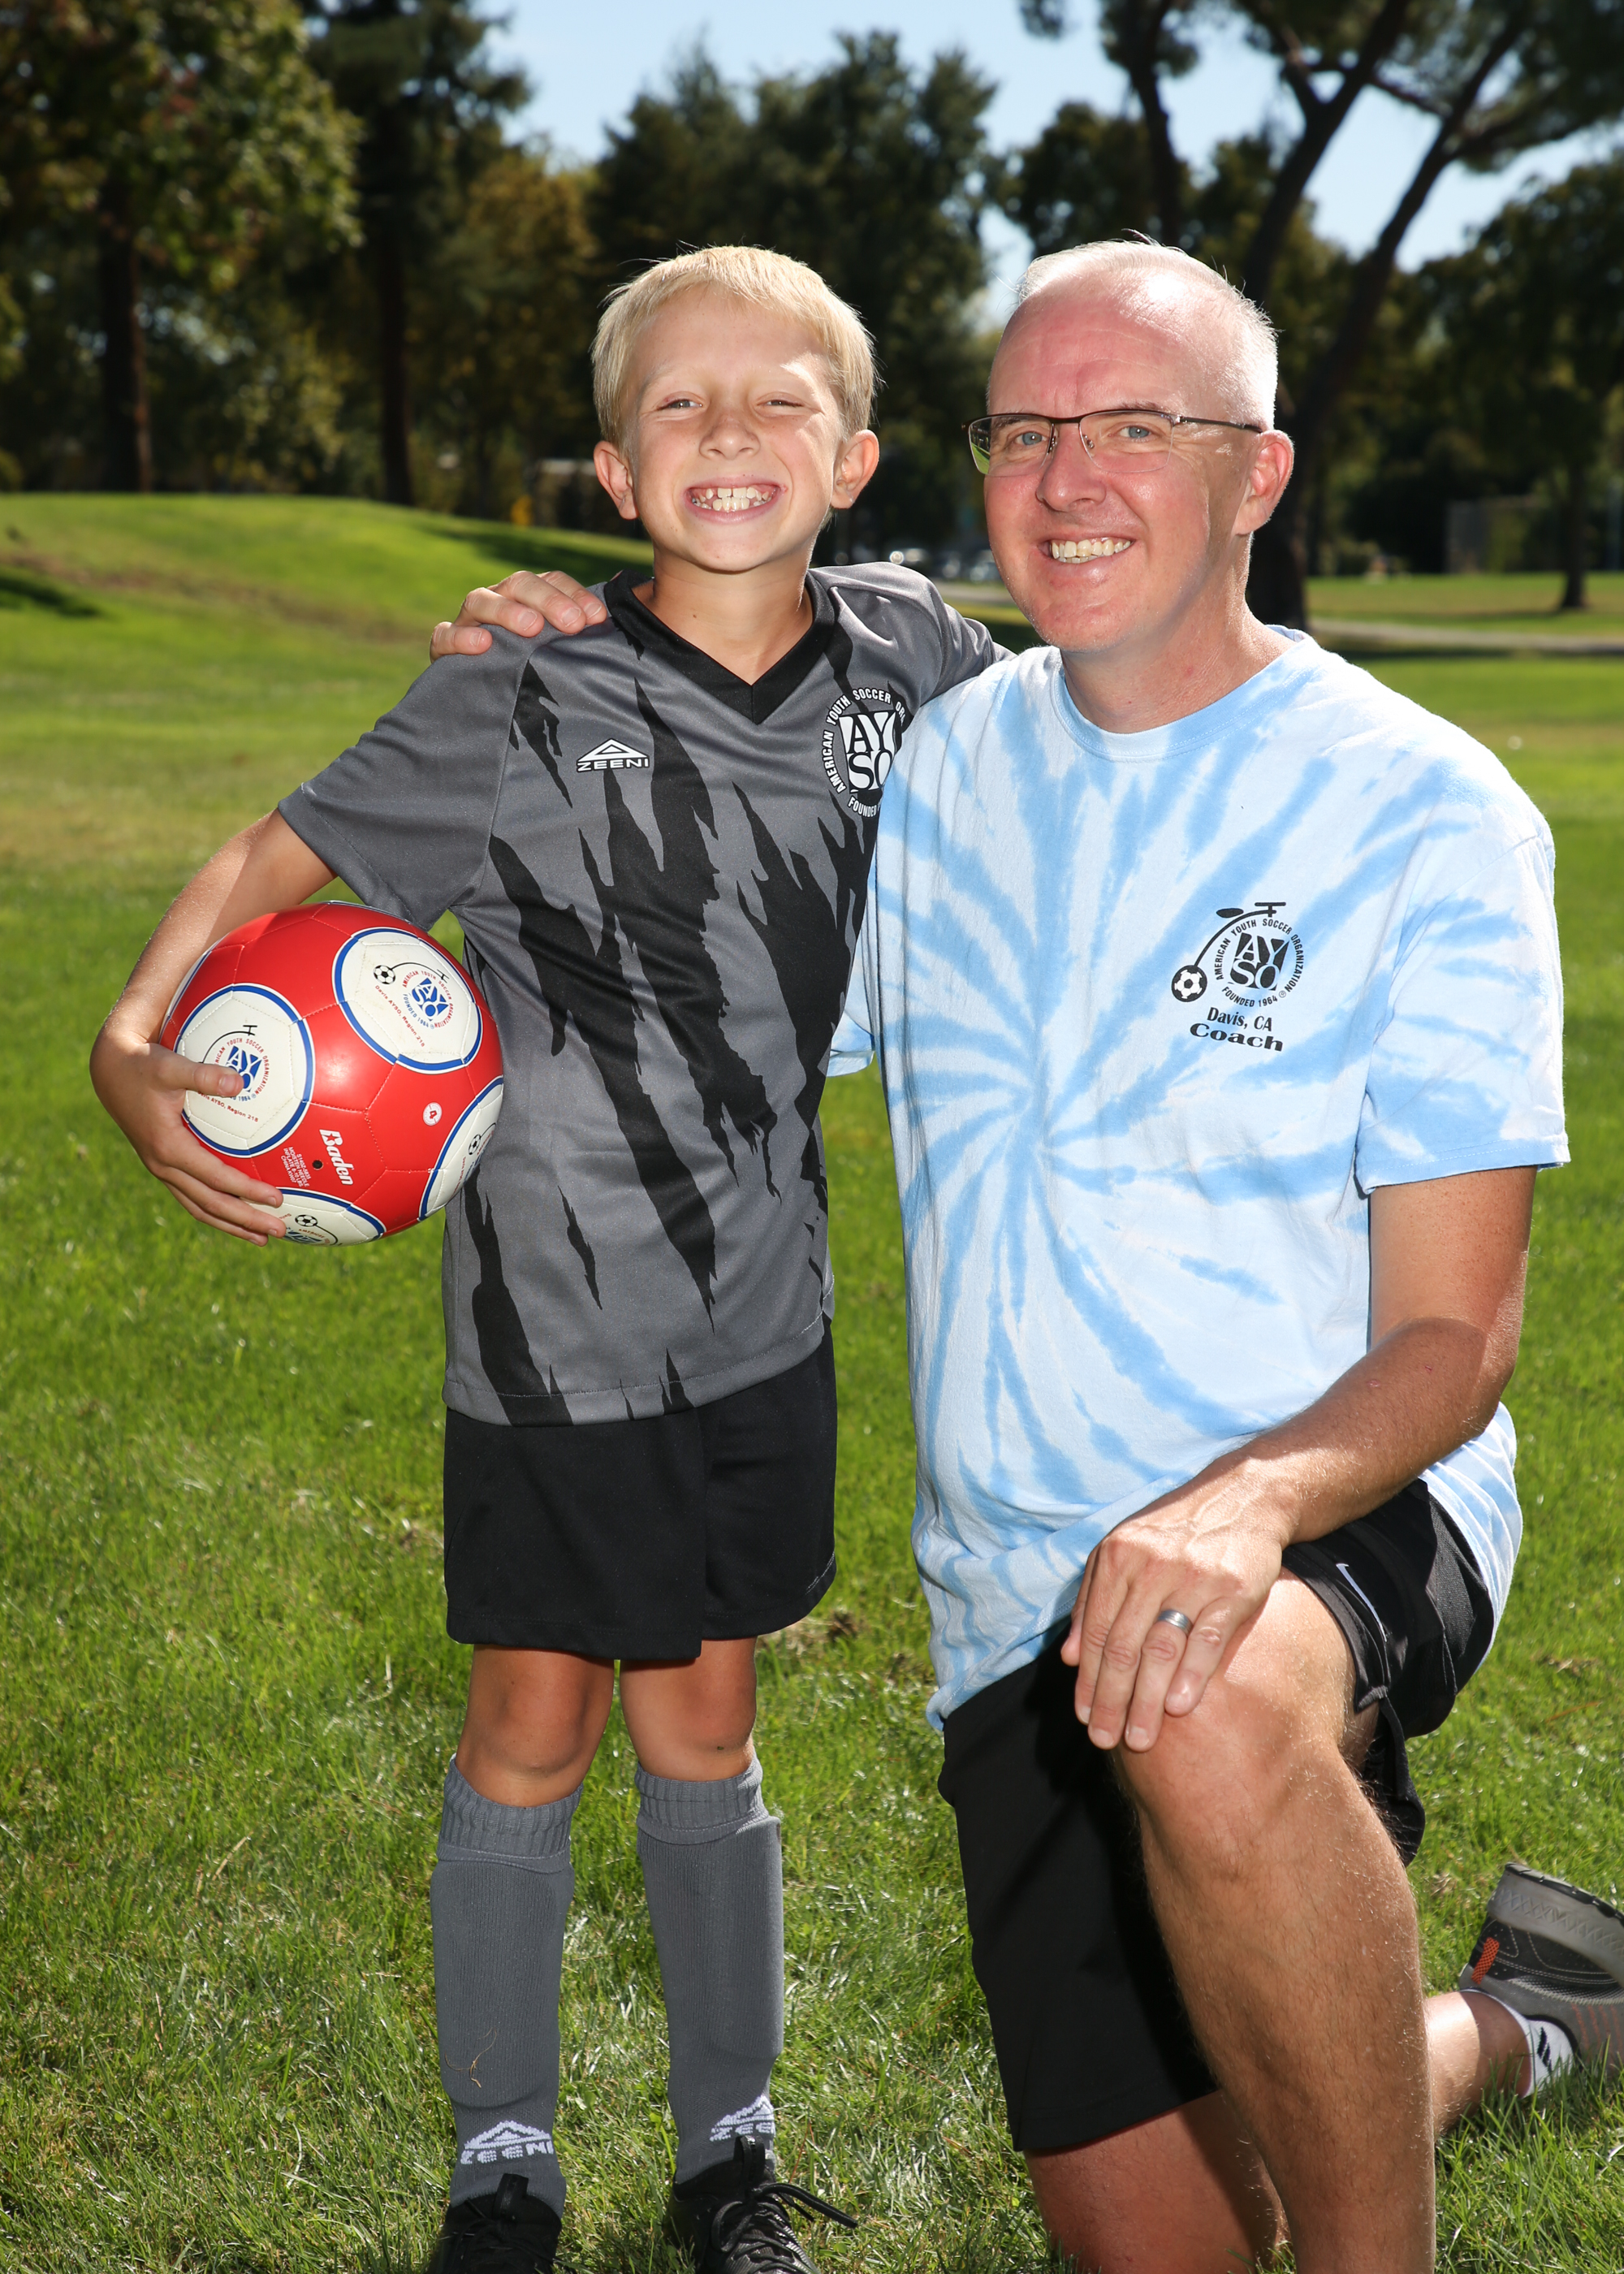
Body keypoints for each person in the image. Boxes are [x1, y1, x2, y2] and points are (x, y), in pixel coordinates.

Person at [431, 241, 1623, 2274]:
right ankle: (1520, 2023)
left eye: (1135, 425)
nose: (1069, 476)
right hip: (1013, 1600)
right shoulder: (935, 767)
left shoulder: (1420, 807)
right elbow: (698, 974)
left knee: (1205, 1700)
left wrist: (1236, 1510)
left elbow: (1456, 1330)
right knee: (1193, 2210)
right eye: (1025, 432)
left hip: (1325, 1507)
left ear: (1257, 474)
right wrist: (558, 659)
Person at [89, 245, 996, 2274]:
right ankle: (501, 2165)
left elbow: (1104, 705)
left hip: (766, 1323)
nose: (730, 433)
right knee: (531, 1726)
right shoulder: (516, 688)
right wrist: (132, 1032)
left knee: (708, 1729)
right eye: (679, 402)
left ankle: (727, 2157)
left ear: (855, 456)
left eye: (779, 401)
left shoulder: (920, 667)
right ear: (611, 469)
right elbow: (271, 857)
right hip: (548, 1333)